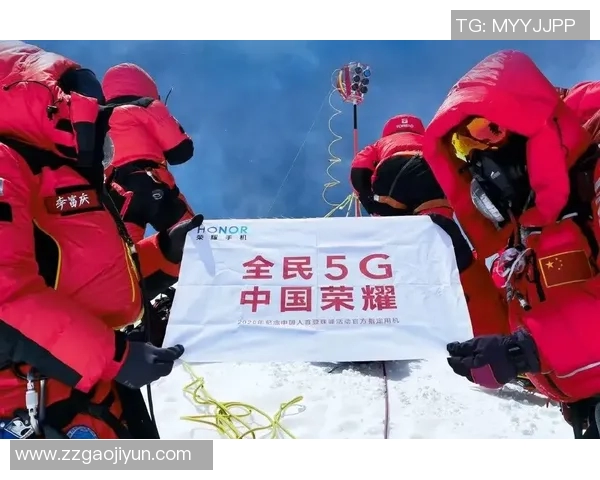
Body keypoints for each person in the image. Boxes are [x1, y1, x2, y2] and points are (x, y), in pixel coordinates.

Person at [0, 41, 203, 440]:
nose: (95, 107)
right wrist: (117, 358)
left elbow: (94, 277)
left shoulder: (69, 175)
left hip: (95, 395)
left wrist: (166, 253)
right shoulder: (8, 162)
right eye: (80, 92)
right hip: (29, 403)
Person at [423, 49, 600, 437]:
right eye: (462, 148)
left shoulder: (591, 179)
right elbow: (504, 331)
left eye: (487, 130)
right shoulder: (523, 237)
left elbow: (526, 344)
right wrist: (463, 269)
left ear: (530, 122)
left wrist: (526, 351)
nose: (477, 157)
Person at [350, 116, 509, 337]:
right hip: (432, 167)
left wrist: (366, 196)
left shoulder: (380, 144)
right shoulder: (428, 140)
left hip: (392, 172)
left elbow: (359, 166)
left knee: (392, 231)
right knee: (437, 225)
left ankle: (395, 256)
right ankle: (441, 242)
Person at [101, 63, 195, 250]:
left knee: (124, 255)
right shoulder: (147, 105)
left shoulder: (97, 118)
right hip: (151, 182)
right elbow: (181, 151)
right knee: (192, 241)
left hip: (115, 193)